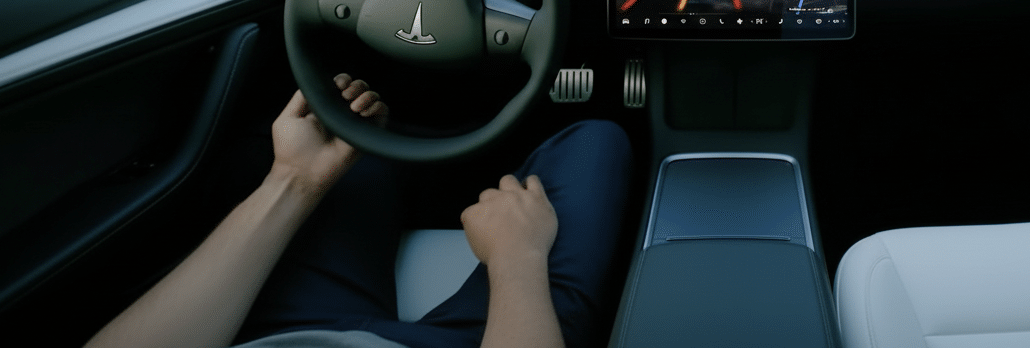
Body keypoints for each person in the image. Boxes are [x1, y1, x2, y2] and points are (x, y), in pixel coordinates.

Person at [84, 75, 632, 348]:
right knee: (596, 139)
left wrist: (295, 178)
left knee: (354, 156)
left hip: (292, 339)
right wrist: (517, 259)